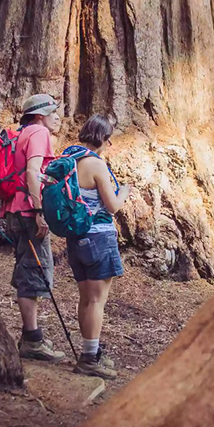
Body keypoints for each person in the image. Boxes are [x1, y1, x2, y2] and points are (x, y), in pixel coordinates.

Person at [65, 115, 130, 379]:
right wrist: (124, 190)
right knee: (96, 300)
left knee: (86, 298)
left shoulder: (70, 160)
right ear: (102, 138)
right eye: (109, 139)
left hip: (76, 238)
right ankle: (89, 358)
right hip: (98, 237)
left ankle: (90, 350)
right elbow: (112, 206)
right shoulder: (95, 164)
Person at [4, 93, 64, 361]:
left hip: (16, 209)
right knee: (34, 271)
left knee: (28, 267)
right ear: (39, 115)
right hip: (29, 212)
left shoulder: (23, 132)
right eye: (53, 112)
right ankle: (32, 340)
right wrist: (39, 210)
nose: (58, 117)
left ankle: (32, 336)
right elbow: (32, 172)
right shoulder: (39, 132)